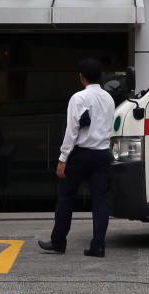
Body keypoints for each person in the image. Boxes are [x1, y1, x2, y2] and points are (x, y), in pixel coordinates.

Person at [38, 57, 116, 257]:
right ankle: (98, 246)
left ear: (81, 77)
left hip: (80, 154)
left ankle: (58, 243)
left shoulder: (78, 98)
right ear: (100, 76)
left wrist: (63, 158)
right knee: (100, 202)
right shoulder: (109, 98)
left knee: (65, 199)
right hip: (102, 155)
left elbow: (72, 130)